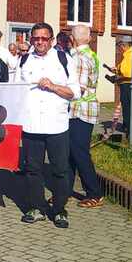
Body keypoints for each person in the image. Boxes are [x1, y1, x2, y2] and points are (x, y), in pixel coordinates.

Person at [16, 22, 80, 229]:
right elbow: (16, 91)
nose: (40, 42)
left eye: (44, 38)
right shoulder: (24, 60)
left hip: (56, 125)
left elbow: (74, 93)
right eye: (36, 38)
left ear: (51, 40)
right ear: (31, 40)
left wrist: (52, 86)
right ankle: (36, 208)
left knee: (60, 170)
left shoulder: (64, 59)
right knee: (32, 169)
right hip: (31, 124)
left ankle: (59, 209)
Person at [67, 25, 104, 208]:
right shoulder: (91, 55)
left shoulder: (79, 59)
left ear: (72, 40)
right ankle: (63, 191)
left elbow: (78, 89)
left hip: (79, 110)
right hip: (84, 109)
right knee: (70, 153)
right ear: (88, 39)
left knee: (79, 153)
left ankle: (94, 193)